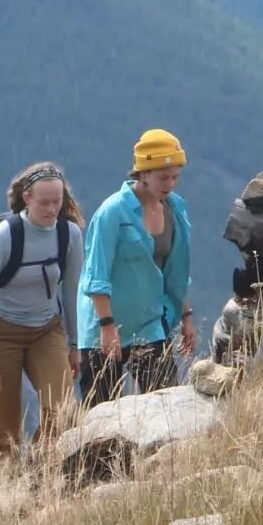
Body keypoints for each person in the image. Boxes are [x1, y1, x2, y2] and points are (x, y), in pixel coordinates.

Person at [0, 162, 84, 458]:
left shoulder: (69, 234)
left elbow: (71, 293)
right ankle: (5, 491)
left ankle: (39, 467)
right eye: (44, 202)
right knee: (5, 434)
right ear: (27, 198)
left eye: (57, 202)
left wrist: (74, 345)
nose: (51, 210)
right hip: (1, 332)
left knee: (64, 411)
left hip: (45, 331)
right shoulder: (4, 236)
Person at [77, 129, 195, 407]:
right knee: (103, 415)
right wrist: (107, 326)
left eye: (175, 177)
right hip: (104, 328)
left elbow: (172, 271)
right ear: (142, 173)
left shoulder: (175, 210)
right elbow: (96, 274)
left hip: (150, 323)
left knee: (166, 406)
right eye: (162, 177)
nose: (170, 184)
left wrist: (186, 314)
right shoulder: (113, 212)